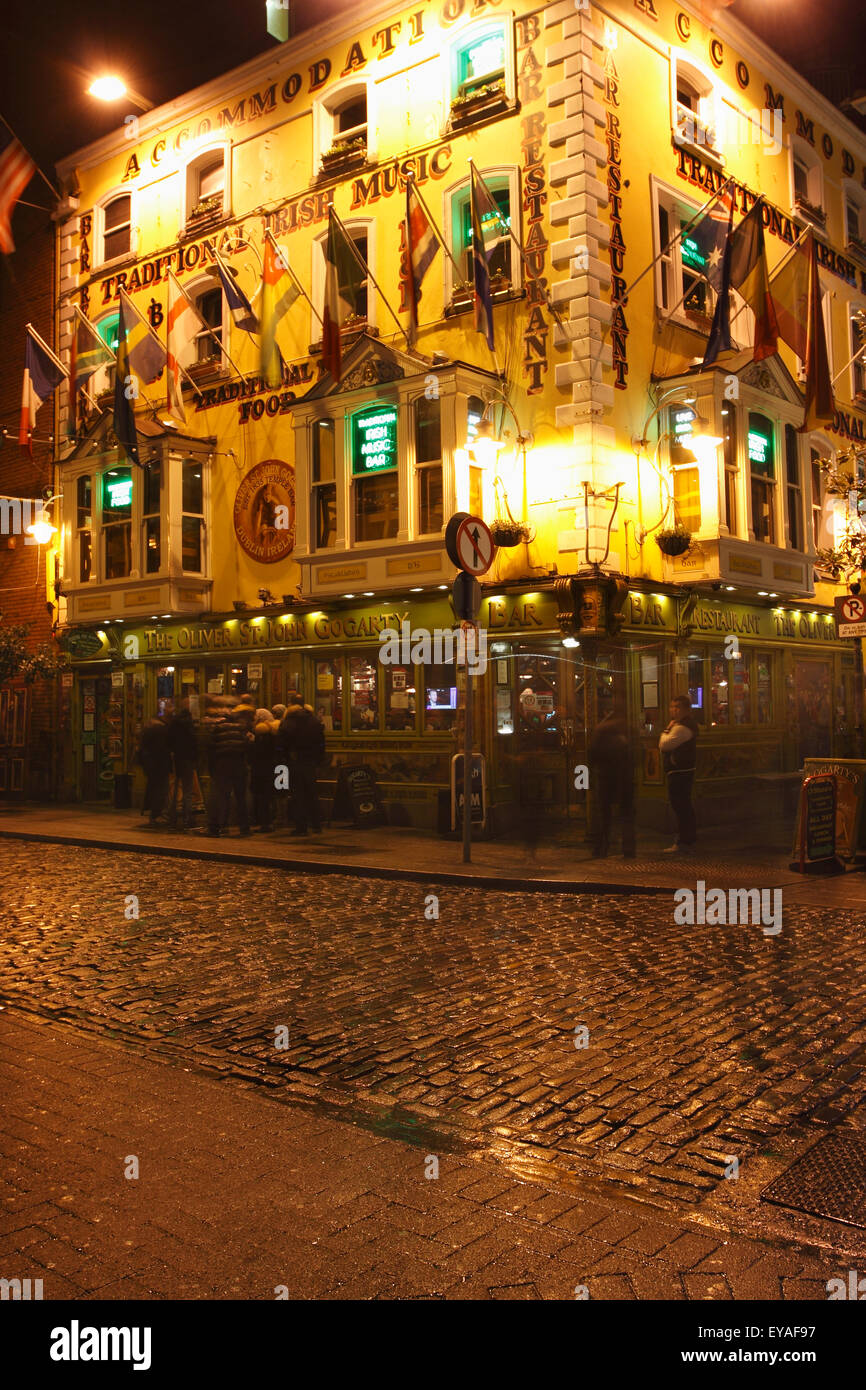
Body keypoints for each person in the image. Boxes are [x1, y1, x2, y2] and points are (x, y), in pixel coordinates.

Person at [588, 703, 636, 858]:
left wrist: (589, 775)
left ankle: (601, 848)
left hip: (605, 777)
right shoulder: (630, 730)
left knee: (603, 815)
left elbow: (592, 755)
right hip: (625, 778)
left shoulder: (601, 730)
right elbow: (638, 754)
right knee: (627, 815)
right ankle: (628, 849)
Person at [277, 702, 325, 836]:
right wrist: (318, 760)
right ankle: (316, 825)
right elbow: (321, 743)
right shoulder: (314, 721)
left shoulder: (288, 723)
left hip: (295, 761)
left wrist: (285, 759)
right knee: (312, 793)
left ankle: (301, 827)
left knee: (298, 795)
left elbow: (281, 744)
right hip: (310, 762)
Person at [659, 694, 699, 852]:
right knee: (683, 806)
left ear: (686, 710)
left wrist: (666, 729)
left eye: (677, 707)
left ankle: (684, 840)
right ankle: (688, 838)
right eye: (672, 707)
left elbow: (664, 744)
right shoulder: (684, 725)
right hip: (681, 770)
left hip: (680, 771)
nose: (673, 710)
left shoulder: (682, 727)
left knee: (680, 806)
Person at [207, 707, 252, 837]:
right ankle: (244, 827)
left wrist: (212, 768)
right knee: (241, 797)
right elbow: (246, 746)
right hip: (238, 764)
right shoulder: (240, 728)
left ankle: (215, 827)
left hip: (222, 765)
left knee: (220, 796)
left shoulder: (217, 729)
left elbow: (211, 749)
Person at [166, 700, 198, 830]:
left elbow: (170, 740)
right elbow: (193, 742)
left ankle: (173, 816)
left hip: (177, 758)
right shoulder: (189, 724)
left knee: (175, 789)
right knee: (188, 790)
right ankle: (187, 817)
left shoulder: (174, 723)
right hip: (188, 759)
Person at [137, 716, 171, 826]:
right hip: (158, 766)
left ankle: (155, 814)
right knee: (160, 789)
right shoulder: (159, 732)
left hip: (150, 766)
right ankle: (156, 815)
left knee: (155, 789)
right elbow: (163, 750)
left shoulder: (147, 732)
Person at [249, 709, 277, 832]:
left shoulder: (261, 734)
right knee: (272, 797)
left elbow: (257, 753)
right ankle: (274, 821)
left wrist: (252, 742)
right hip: (275, 770)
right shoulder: (274, 731)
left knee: (263, 798)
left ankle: (265, 824)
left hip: (262, 771)